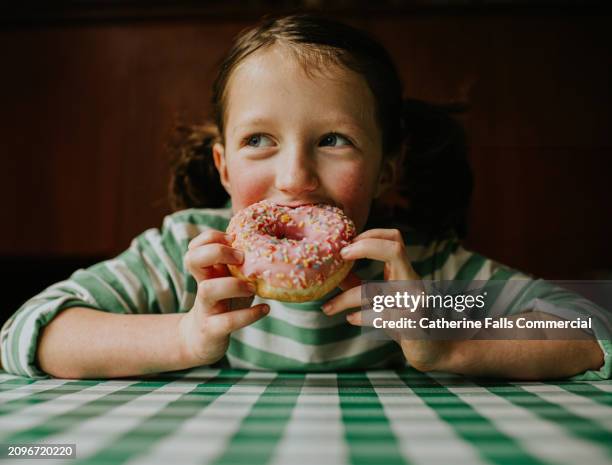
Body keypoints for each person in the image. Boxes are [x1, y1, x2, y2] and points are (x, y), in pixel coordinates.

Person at [1, 14, 608, 380]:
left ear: (386, 169)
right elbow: (28, 331)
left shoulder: (420, 272)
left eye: (334, 140)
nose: (295, 177)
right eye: (259, 140)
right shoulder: (185, 256)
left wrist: (447, 340)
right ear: (224, 167)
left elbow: (593, 326)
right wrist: (183, 337)